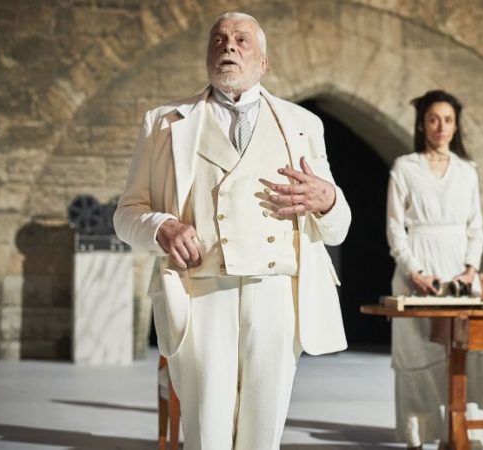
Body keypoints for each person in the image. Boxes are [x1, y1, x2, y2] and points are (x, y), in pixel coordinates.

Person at [114, 12, 351, 450]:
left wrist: (328, 199)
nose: (228, 46)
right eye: (219, 39)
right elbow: (127, 213)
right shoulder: (163, 123)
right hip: (200, 290)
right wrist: (162, 226)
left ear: (263, 62)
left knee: (264, 430)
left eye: (242, 40)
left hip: (277, 292)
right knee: (207, 429)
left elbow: (338, 227)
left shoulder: (303, 124)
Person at [386, 90, 483, 449]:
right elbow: (395, 227)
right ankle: (419, 436)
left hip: (458, 271)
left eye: (448, 120)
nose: (441, 127)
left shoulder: (467, 171)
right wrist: (413, 270)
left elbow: (476, 228)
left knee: (463, 355)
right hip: (417, 267)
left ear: (456, 125)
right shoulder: (405, 167)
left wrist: (471, 269)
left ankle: (461, 435)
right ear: (422, 124)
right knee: (417, 353)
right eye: (433, 119)